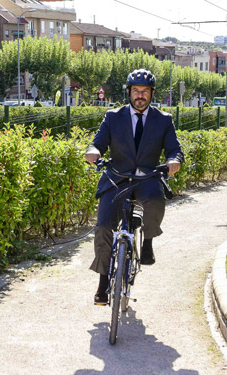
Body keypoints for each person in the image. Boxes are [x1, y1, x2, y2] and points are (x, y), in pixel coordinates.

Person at [85, 68, 184, 305]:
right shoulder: (112, 117)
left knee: (156, 201)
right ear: (128, 92)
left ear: (151, 94)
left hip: (147, 178)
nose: (140, 95)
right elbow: (97, 142)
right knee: (103, 228)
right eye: (136, 91)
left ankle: (148, 242)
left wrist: (174, 160)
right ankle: (102, 282)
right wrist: (93, 151)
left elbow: (174, 149)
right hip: (116, 178)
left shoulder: (164, 120)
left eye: (145, 92)